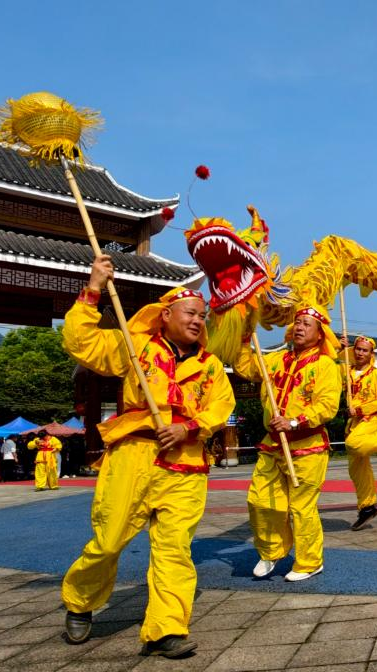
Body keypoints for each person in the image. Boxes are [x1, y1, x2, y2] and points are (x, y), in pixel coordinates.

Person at [60, 254, 235, 658]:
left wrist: (188, 427)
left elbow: (218, 407)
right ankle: (80, 600)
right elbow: (81, 343)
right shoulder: (134, 346)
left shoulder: (210, 367)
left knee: (175, 549)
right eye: (190, 313)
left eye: (202, 316)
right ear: (166, 314)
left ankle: (166, 628)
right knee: (108, 541)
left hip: (186, 464)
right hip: (134, 456)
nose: (197, 321)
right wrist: (93, 288)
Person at [234, 304, 341, 582]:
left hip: (307, 446)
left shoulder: (325, 365)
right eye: (298, 322)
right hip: (272, 444)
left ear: (320, 334)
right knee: (259, 499)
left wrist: (294, 421)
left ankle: (309, 561)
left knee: (301, 507)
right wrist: (246, 336)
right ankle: (271, 551)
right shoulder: (276, 360)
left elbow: (328, 406)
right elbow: (246, 367)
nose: (300, 327)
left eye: (307, 323)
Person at [340, 335, 377, 531]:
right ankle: (367, 507)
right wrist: (339, 347)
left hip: (369, 419)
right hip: (352, 423)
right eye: (358, 349)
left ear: (371, 354)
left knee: (353, 444)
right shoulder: (346, 370)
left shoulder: (376, 375)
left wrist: (359, 410)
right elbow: (332, 365)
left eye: (365, 350)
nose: (360, 353)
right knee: (357, 469)